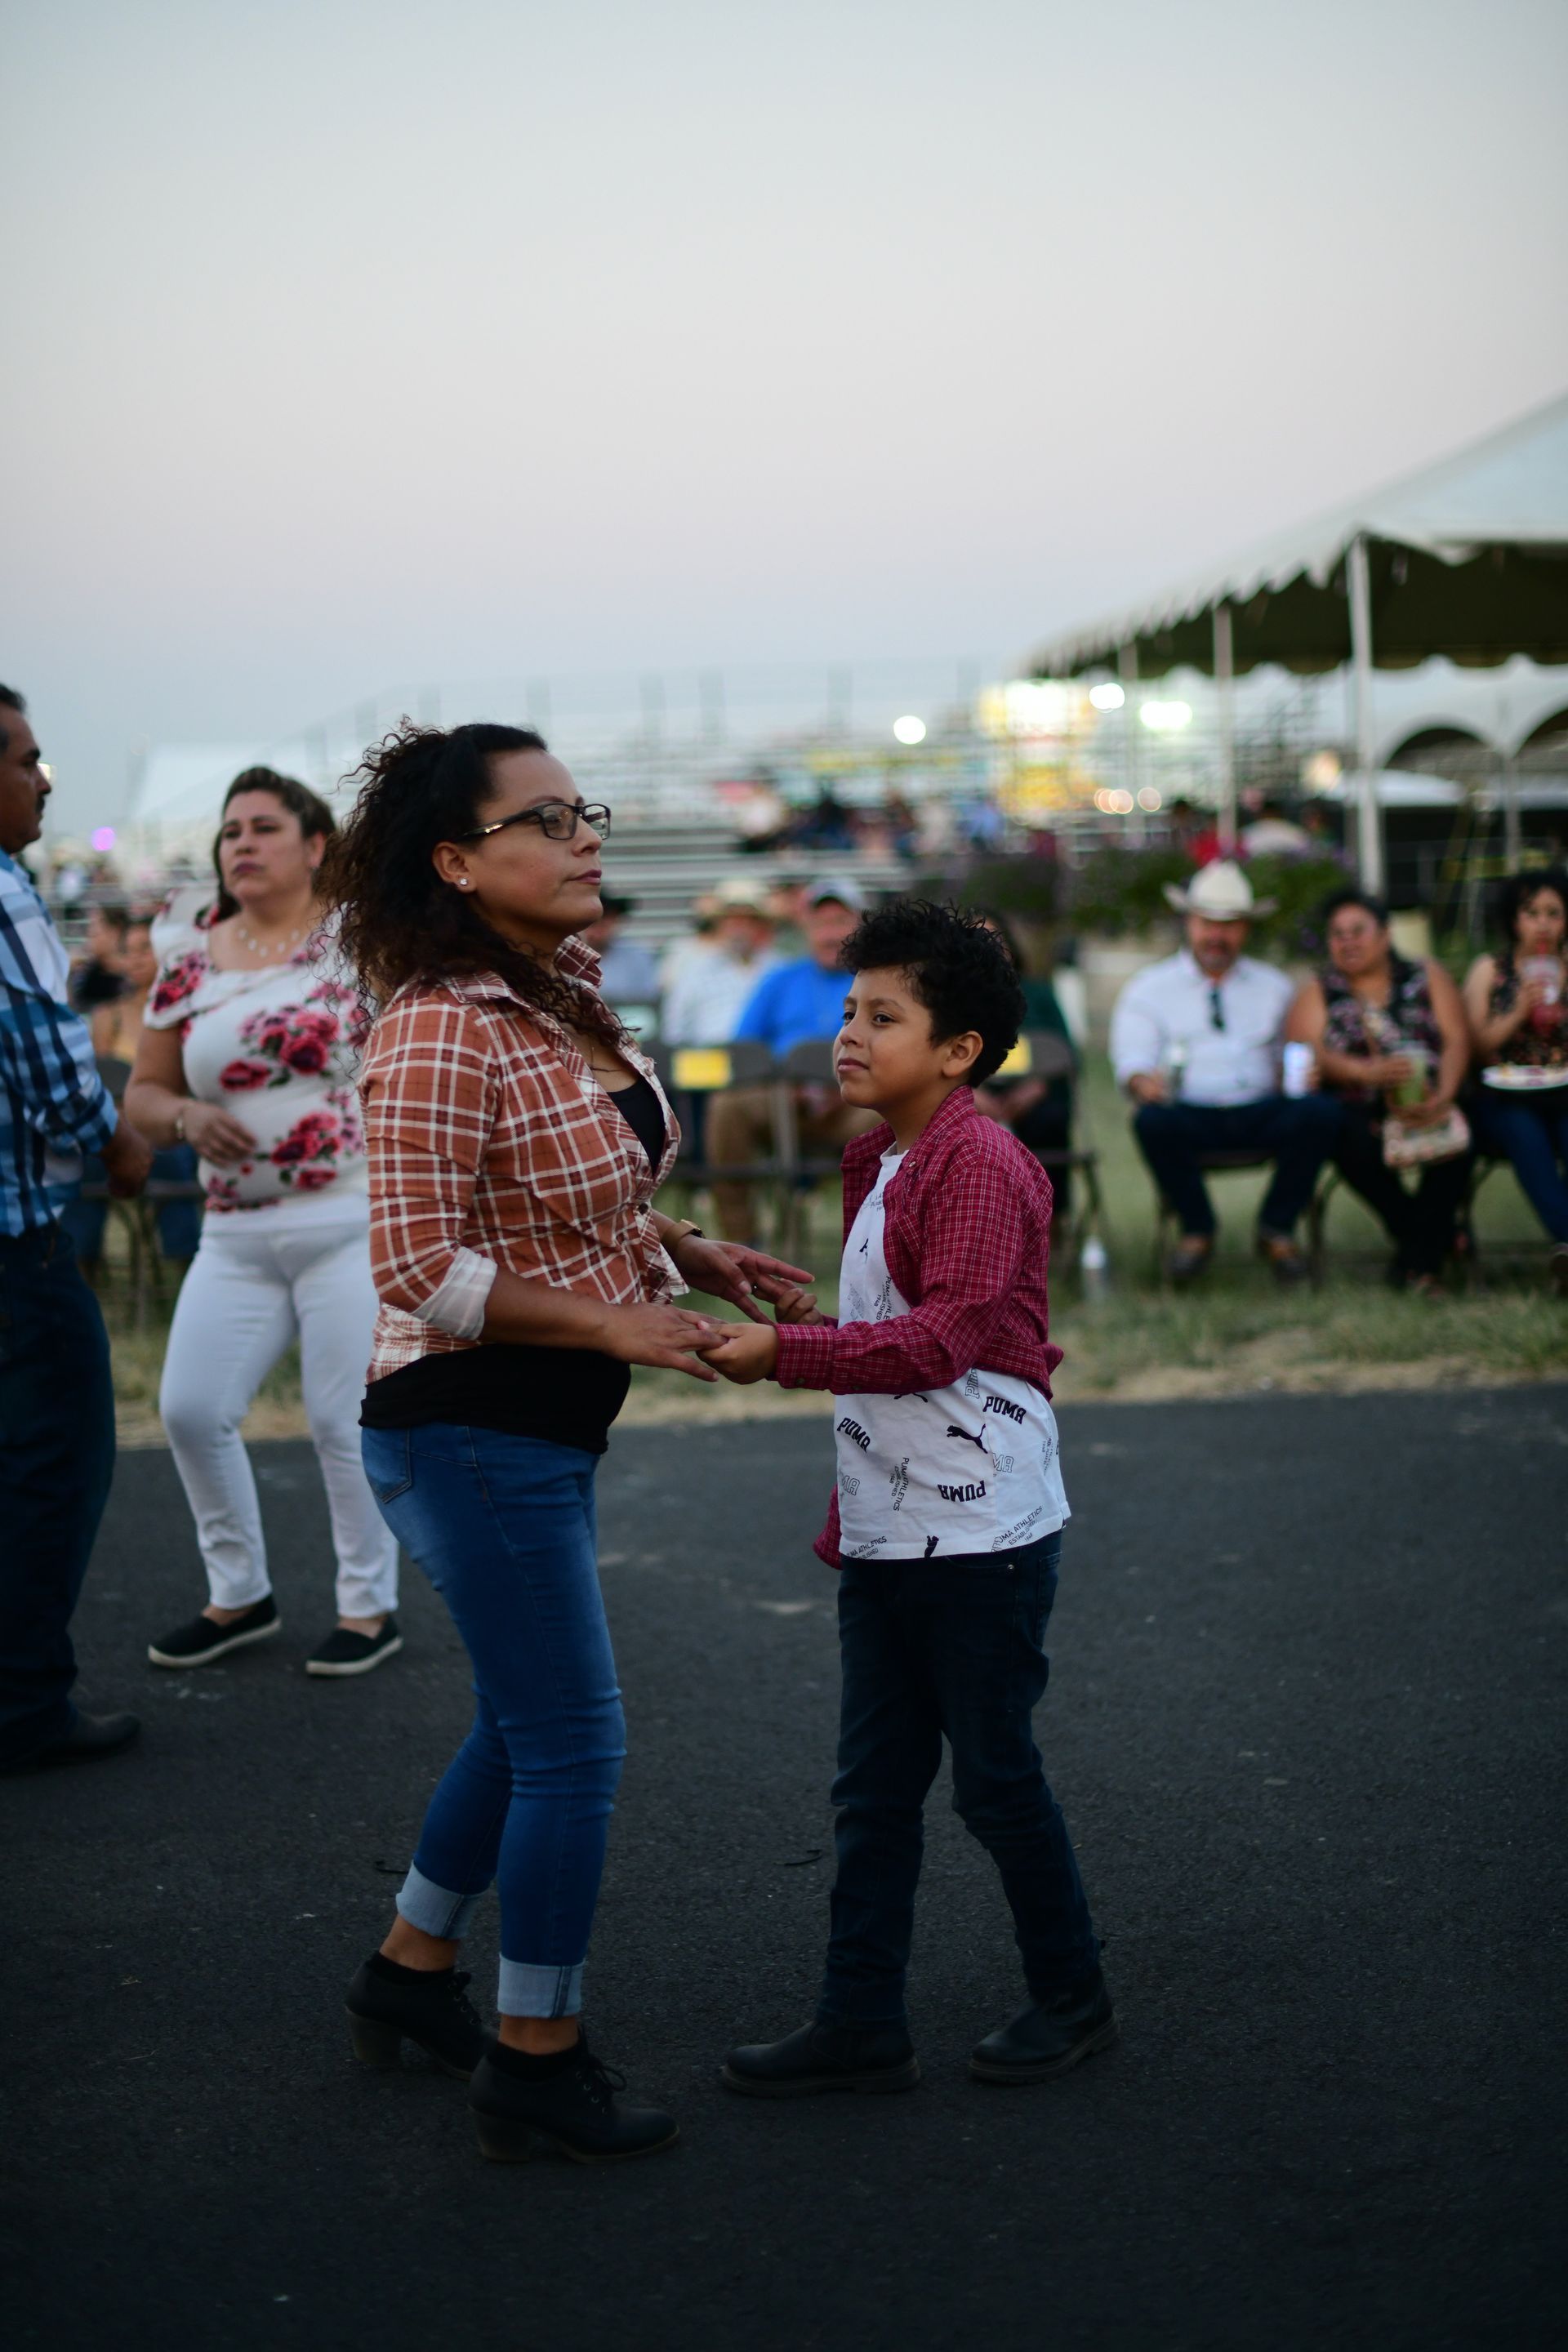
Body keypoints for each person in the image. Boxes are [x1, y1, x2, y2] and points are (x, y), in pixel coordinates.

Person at [325, 719, 813, 2163]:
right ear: (458, 863)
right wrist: (613, 1327)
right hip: (465, 1425)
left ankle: (409, 1976)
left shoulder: (555, 998)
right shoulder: (435, 1026)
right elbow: (417, 1264)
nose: (584, 833)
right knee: (575, 1745)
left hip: (530, 1427)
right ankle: (536, 2057)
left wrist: (682, 1250)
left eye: (581, 808)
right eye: (545, 819)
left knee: (526, 1723)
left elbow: (567, 1196)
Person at [700, 901, 1111, 2093]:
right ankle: (860, 2016)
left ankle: (1075, 1994)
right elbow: (899, 1331)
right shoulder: (875, 1155)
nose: (850, 1034)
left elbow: (939, 1347)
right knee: (873, 1789)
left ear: (960, 1051)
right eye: (847, 1010)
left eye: (884, 1016)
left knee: (993, 1778)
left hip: (981, 1527)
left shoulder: (980, 1163)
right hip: (891, 1518)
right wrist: (813, 1323)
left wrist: (788, 1358)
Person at [124, 768, 403, 1678]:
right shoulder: (189, 958)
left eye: (264, 827)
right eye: (230, 830)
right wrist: (181, 1119)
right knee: (191, 1409)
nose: (240, 843)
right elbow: (145, 1092)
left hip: (348, 1215)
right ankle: (237, 1593)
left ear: (315, 845)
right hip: (235, 1228)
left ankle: (369, 1608)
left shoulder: (361, 942)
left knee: (339, 1418)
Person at [0, 685, 152, 1771]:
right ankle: (23, 1701)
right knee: (54, 1459)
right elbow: (47, 1054)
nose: (44, 779)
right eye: (26, 759)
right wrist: (118, 1142)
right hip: (16, 1244)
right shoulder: (4, 888)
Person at [1110, 860, 1342, 1283]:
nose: (1217, 936)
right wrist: (1144, 1082)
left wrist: (1301, 1074)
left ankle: (1277, 1226)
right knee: (1151, 1121)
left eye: (1230, 924)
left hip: (1259, 1108)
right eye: (1207, 923)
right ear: (1189, 922)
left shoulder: (1273, 986)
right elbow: (1132, 1063)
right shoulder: (1149, 989)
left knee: (1322, 1112)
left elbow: (1293, 1052)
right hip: (1189, 1112)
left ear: (1246, 928)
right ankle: (1196, 1228)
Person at [1286, 890, 1472, 1292]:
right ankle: (1427, 1251)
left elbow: (1458, 1040)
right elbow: (1304, 1050)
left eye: (1358, 931)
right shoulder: (1320, 990)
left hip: (1431, 1097)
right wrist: (1363, 1071)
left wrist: (1444, 1095)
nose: (1347, 942)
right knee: (1341, 1134)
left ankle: (1416, 1260)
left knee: (1458, 1141)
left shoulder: (1426, 976)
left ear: (1385, 935)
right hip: (1361, 1110)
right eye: (1337, 934)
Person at [708, 879, 879, 1241]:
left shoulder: (880, 980)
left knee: (896, 1115)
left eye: (840, 923)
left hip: (858, 1103)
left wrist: (851, 1087)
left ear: (861, 927)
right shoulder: (778, 981)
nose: (830, 934)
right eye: (821, 924)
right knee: (727, 1108)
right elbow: (743, 1050)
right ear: (806, 929)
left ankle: (879, 1242)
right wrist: (783, 1086)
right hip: (784, 1099)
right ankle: (740, 1246)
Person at [59, 917, 202, 1270]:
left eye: (145, 950)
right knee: (87, 1157)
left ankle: (183, 1261)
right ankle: (83, 1263)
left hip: (171, 1126)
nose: (136, 959)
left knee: (170, 1157)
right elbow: (97, 1081)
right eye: (129, 951)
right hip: (120, 1122)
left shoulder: (186, 1014)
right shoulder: (109, 1016)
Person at [1463, 868, 1568, 1293]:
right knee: (1524, 1134)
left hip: (1562, 1093)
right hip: (1503, 1095)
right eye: (1531, 912)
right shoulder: (1490, 969)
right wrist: (1517, 1013)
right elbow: (1471, 1047)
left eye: (1554, 913)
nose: (1542, 923)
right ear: (1512, 919)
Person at [971, 912, 1077, 1215]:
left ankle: (1051, 1219)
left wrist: (1038, 1087)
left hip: (1037, 1096)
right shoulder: (945, 1002)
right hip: (972, 1099)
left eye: (994, 938)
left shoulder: (1039, 994)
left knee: (1050, 1120)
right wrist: (971, 1096)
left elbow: (1068, 1055)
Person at [658, 876, 778, 1045]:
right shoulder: (693, 970)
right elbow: (675, 1032)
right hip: (706, 1064)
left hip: (765, 1063)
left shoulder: (779, 969)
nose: (738, 928)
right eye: (731, 919)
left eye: (746, 920)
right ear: (719, 924)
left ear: (761, 925)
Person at [577, 892, 660, 1012]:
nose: (597, 930)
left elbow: (648, 1004)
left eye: (603, 922)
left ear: (615, 920)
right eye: (591, 923)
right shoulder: (561, 956)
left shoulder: (637, 957)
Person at [69, 902, 127, 1013]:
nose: (90, 933)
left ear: (115, 931)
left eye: (95, 925)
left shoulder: (132, 976)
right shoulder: (85, 974)